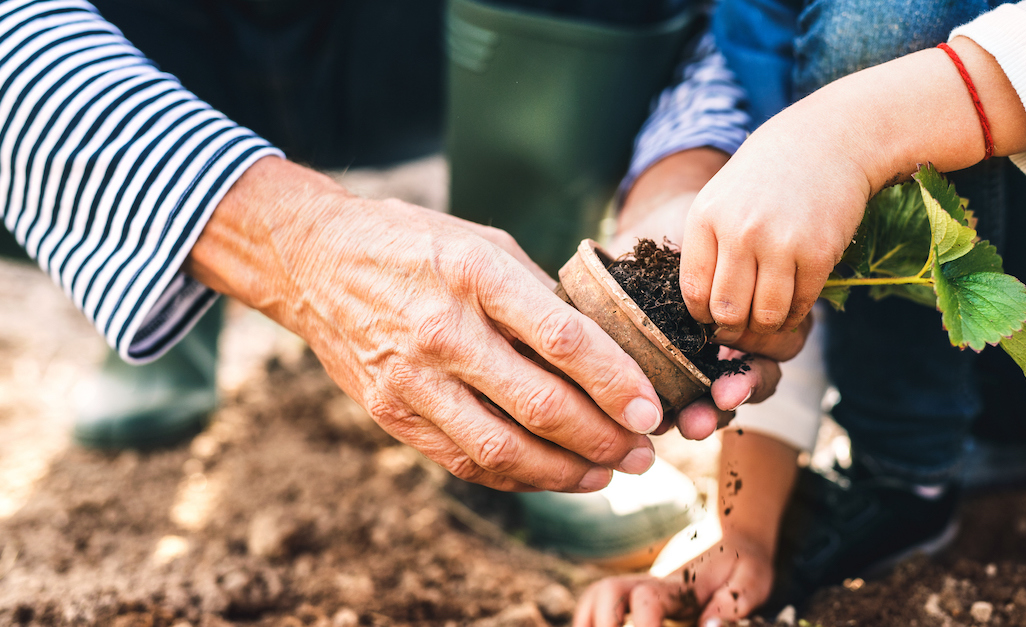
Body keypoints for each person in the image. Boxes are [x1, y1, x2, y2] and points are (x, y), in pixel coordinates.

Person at [0, 0, 796, 494]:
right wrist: (289, 239)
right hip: (122, 41)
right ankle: (166, 276)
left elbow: (739, 20)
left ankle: (521, 360)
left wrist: (682, 169)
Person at [575, 0, 1026, 623]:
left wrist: (857, 130)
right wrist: (744, 527)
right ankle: (904, 473)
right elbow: (787, 225)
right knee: (880, 18)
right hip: (943, 378)